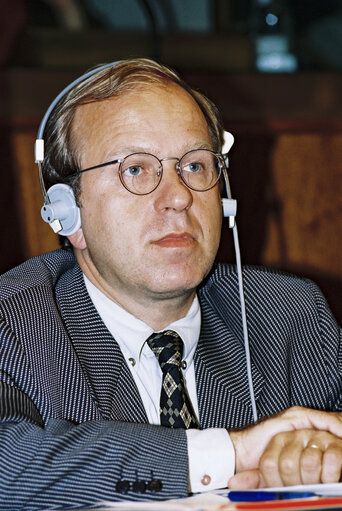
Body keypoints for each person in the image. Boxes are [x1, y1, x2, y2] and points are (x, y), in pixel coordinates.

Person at [0, 58, 341, 509]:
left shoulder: (289, 313)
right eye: (136, 170)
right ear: (68, 212)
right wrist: (232, 452)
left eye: (196, 166)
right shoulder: (14, 322)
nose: (180, 196)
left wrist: (325, 453)